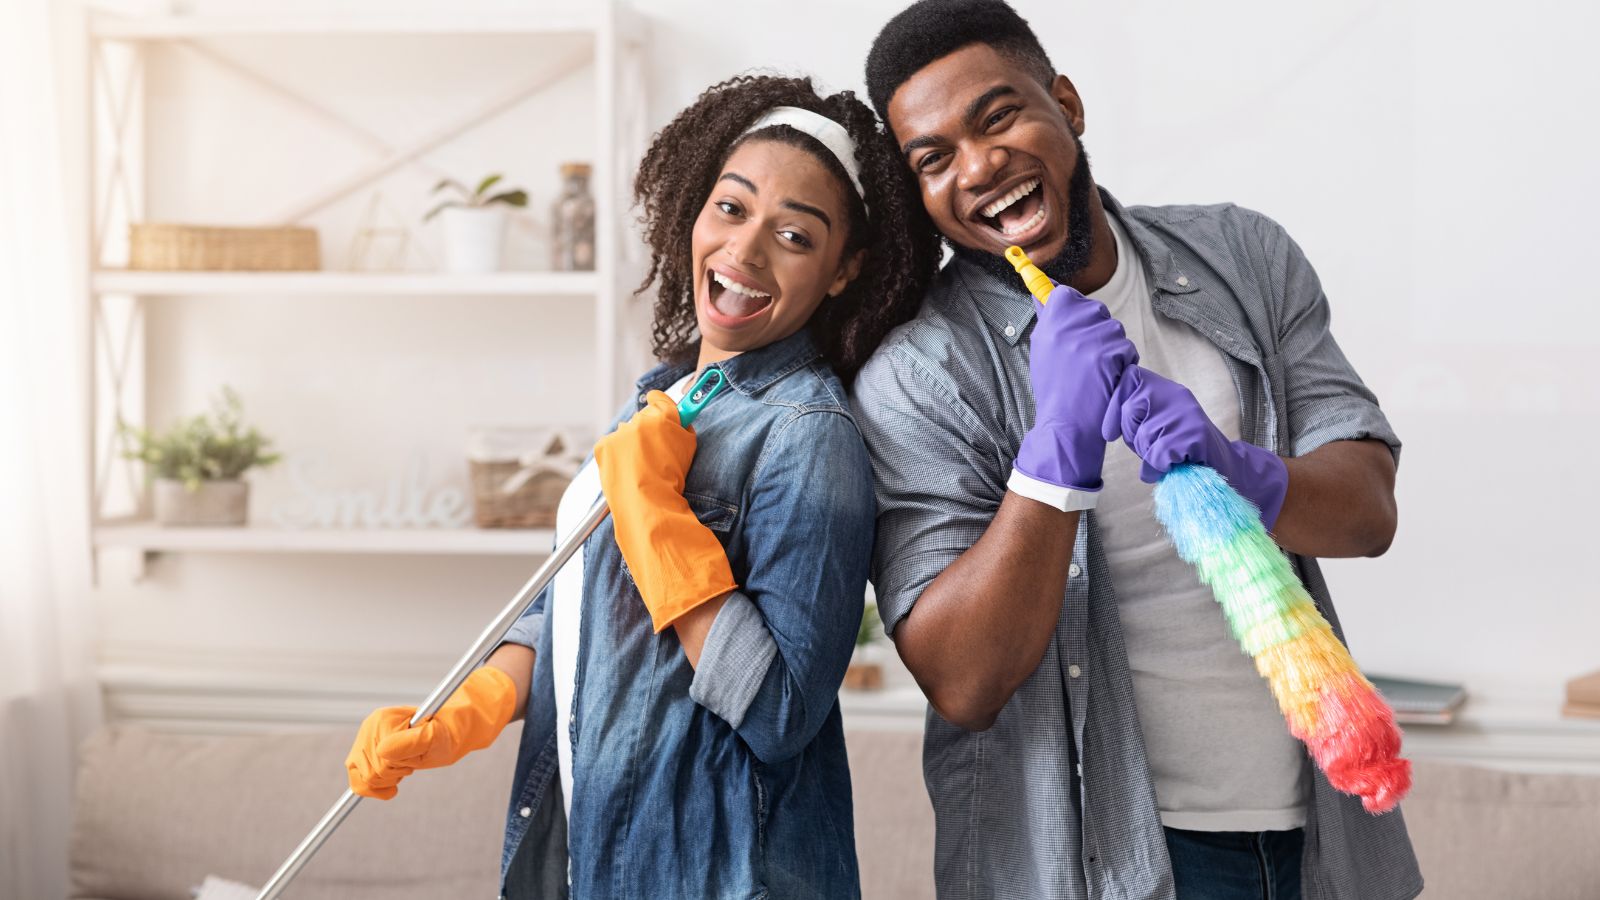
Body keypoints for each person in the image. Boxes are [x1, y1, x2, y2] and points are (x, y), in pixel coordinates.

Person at [850, 2, 1422, 899]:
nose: (979, 166)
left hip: (1322, 841)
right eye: (935, 158)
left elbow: (1368, 512)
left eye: (999, 116)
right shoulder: (921, 376)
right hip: (1101, 862)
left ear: (1067, 104)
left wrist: (1238, 468)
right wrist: (1056, 450)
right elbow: (965, 682)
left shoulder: (1243, 257)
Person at [344, 75, 938, 899]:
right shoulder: (654, 403)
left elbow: (777, 712)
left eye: (795, 235)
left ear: (844, 271)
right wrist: (463, 714)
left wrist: (657, 513)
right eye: (731, 209)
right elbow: (575, 607)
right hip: (598, 857)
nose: (745, 250)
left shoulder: (809, 436)